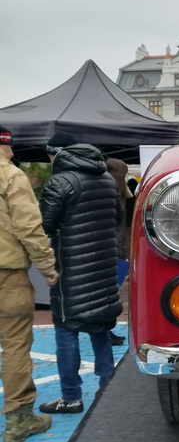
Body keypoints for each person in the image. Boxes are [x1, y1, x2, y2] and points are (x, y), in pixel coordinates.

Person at [38, 137, 123, 414]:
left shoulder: (60, 183)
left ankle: (71, 397)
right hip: (103, 265)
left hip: (71, 269)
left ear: (56, 156)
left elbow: (43, 226)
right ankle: (108, 389)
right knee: (99, 324)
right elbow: (117, 220)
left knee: (66, 329)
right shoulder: (109, 181)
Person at [0, 125, 57, 442]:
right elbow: (28, 226)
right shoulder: (11, 175)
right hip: (7, 275)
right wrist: (48, 267)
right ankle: (19, 419)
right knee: (15, 347)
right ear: (6, 145)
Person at [105, 158, 131, 346]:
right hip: (118, 249)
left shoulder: (113, 191)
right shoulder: (119, 192)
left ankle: (107, 330)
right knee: (111, 293)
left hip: (111, 249)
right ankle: (107, 330)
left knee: (108, 293)